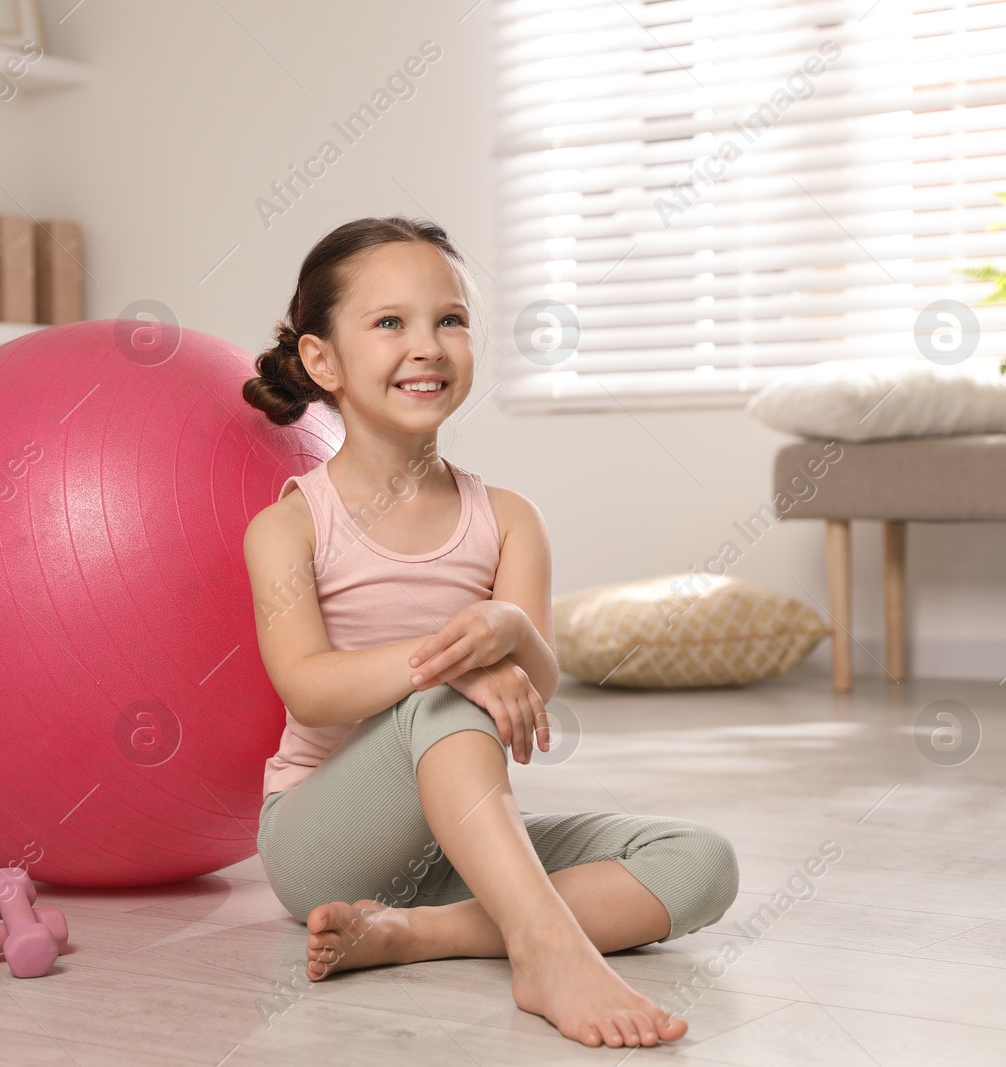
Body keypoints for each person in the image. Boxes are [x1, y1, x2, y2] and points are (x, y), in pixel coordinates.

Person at [239, 216, 738, 1049]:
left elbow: (533, 685)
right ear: (322, 359)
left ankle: (424, 932)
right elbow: (307, 684)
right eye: (390, 322)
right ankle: (546, 951)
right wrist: (456, 664)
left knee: (700, 860)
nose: (428, 344)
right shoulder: (288, 527)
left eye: (451, 319)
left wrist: (508, 627)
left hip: (447, 848)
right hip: (320, 842)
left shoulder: (508, 519)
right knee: (447, 699)